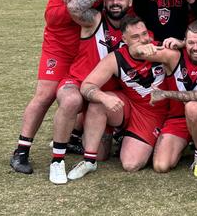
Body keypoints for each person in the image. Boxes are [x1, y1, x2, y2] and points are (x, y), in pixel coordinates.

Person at [10, 0, 109, 175]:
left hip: (85, 49)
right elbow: (52, 17)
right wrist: (77, 8)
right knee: (45, 95)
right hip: (60, 48)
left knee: (83, 94)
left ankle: (72, 136)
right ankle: (21, 150)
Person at [66, 16, 179, 180]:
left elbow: (176, 55)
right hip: (131, 106)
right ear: (124, 39)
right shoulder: (116, 58)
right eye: (135, 37)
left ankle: (150, 141)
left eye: (144, 34)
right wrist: (104, 97)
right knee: (98, 104)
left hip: (154, 115)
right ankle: (89, 161)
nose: (142, 39)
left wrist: (150, 51)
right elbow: (87, 85)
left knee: (130, 164)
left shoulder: (160, 49)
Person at [48, 0, 130, 184]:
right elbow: (73, 8)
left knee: (101, 154)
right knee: (71, 101)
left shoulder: (133, 28)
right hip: (77, 81)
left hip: (106, 92)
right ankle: (57, 160)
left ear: (130, 2)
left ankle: (87, 145)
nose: (114, 2)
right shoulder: (94, 19)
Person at [148, 21, 197, 176]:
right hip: (178, 119)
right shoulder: (174, 55)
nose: (195, 47)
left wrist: (166, 94)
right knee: (161, 165)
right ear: (185, 42)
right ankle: (186, 142)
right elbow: (138, 52)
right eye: (191, 42)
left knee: (193, 106)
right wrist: (143, 48)